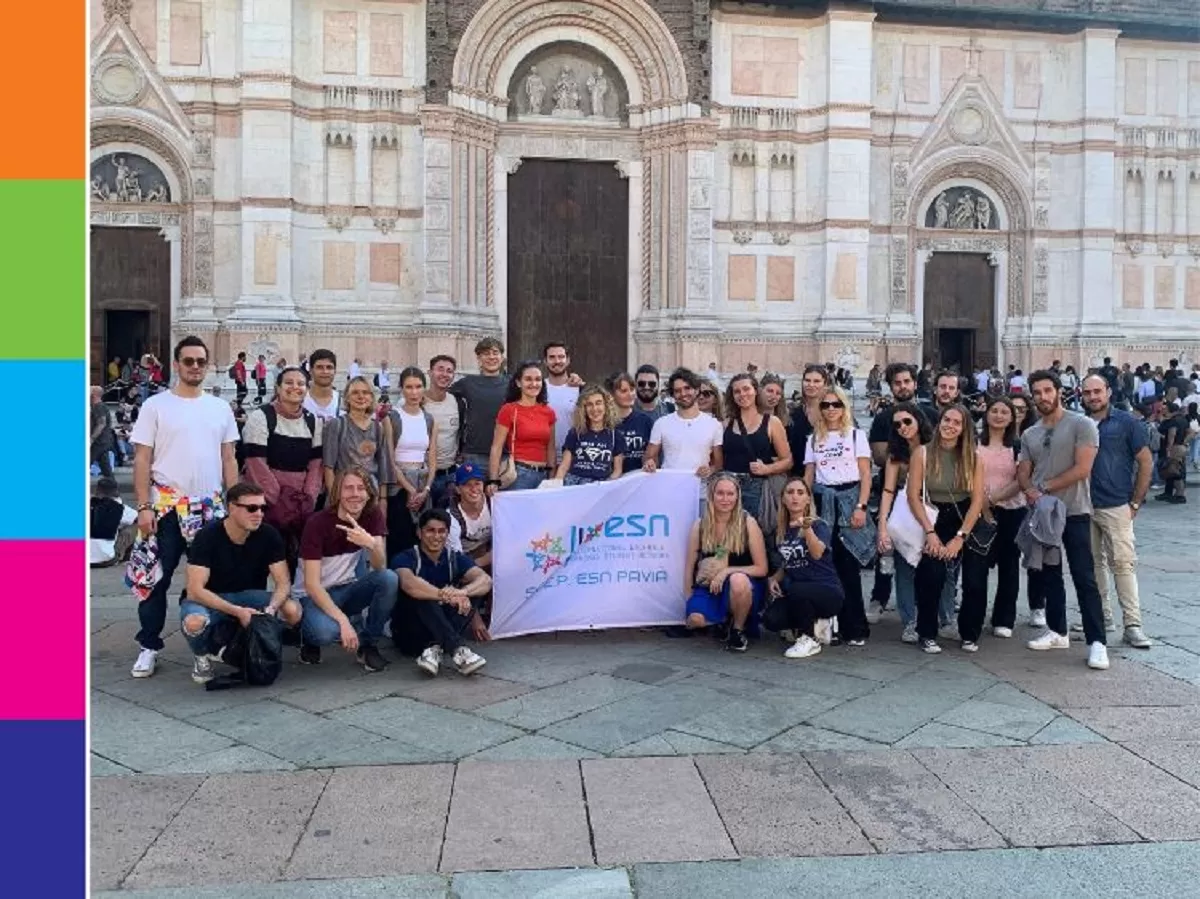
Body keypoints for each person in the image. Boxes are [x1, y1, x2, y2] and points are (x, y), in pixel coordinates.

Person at [128, 336, 240, 678]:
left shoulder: (220, 408)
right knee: (155, 579)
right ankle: (149, 645)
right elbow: (142, 458)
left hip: (209, 509)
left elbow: (229, 458)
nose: (194, 367)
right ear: (176, 364)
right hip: (165, 508)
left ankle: (204, 643)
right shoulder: (156, 406)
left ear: (207, 366)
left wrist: (235, 504)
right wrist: (143, 505)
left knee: (211, 581)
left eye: (200, 362)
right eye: (188, 361)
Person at [1017, 369, 1109, 670]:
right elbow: (1024, 469)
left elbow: (1083, 469)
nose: (1043, 397)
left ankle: (1098, 642)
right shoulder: (1030, 433)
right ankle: (1057, 630)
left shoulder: (1081, 424)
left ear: (1059, 391)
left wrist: (1042, 487)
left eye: (1047, 390)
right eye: (1037, 393)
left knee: (1084, 576)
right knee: (1049, 575)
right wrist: (1028, 489)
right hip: (1043, 515)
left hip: (1075, 511)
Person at [181, 482, 301, 684]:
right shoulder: (207, 536)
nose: (259, 514)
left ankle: (261, 644)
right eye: (251, 508)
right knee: (194, 621)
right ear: (231, 508)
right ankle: (201, 655)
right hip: (212, 598)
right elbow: (195, 590)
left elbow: (283, 582)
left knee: (292, 609)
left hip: (249, 595)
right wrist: (237, 611)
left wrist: (271, 609)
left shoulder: (269, 534)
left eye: (263, 508)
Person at [294, 467, 399, 672]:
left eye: (361, 488)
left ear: (369, 493)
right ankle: (306, 636)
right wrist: (344, 622)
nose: (355, 494)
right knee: (324, 633)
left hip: (345, 589)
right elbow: (312, 585)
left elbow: (379, 566)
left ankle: (368, 645)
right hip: (312, 596)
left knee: (389, 579)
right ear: (338, 493)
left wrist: (372, 545)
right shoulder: (318, 523)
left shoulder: (373, 515)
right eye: (348, 488)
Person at [905, 404, 988, 654]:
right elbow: (913, 496)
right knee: (932, 575)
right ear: (939, 422)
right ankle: (927, 632)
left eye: (956, 422)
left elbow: (977, 502)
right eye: (946, 420)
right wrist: (930, 533)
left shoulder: (974, 457)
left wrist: (960, 537)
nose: (950, 426)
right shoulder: (922, 453)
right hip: (934, 517)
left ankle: (970, 633)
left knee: (975, 580)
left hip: (966, 518)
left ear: (964, 429)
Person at [1081, 374, 1153, 648]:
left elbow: (1145, 462)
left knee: (1122, 564)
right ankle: (1102, 617)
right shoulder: (1080, 422)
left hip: (1116, 504)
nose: (1093, 397)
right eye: (1088, 393)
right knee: (1093, 565)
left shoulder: (1127, 423)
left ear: (1108, 392)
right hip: (1085, 505)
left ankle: (1133, 624)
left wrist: (1135, 502)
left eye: (1098, 391)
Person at [803, 385, 873, 645]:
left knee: (848, 565)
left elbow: (865, 474)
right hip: (823, 501)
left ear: (844, 407)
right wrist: (806, 507)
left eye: (836, 404)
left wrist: (861, 507)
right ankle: (827, 626)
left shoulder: (855, 435)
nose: (831, 409)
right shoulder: (812, 439)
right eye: (826, 405)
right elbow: (809, 475)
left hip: (848, 499)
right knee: (824, 564)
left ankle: (855, 627)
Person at [241, 366, 323, 573]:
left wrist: (308, 499)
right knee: (260, 564)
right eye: (288, 383)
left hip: (299, 507)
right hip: (267, 505)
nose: (295, 387)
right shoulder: (261, 417)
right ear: (278, 387)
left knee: (295, 566)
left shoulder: (313, 422)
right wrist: (279, 500)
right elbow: (256, 463)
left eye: (301, 383)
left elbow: (315, 466)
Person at [393, 509, 492, 676]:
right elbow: (410, 584)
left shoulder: (454, 557)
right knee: (422, 593)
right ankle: (458, 649)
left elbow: (485, 581)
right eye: (430, 530)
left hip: (442, 627)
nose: (436, 536)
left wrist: (462, 593)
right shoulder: (406, 557)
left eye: (442, 531)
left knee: (472, 593)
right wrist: (444, 595)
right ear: (419, 532)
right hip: (410, 633)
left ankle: (435, 648)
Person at [681, 474, 769, 651]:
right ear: (711, 495)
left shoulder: (747, 523)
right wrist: (689, 596)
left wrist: (725, 571)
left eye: (730, 494)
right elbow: (689, 565)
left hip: (744, 586)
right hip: (709, 586)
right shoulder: (700, 525)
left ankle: (738, 629)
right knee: (694, 620)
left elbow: (762, 568)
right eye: (720, 493)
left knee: (738, 579)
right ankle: (724, 619)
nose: (725, 499)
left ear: (737, 496)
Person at [875, 401, 933, 643]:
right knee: (905, 570)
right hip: (903, 514)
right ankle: (910, 622)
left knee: (937, 569)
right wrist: (882, 526)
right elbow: (888, 490)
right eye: (897, 424)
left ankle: (942, 616)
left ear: (918, 420)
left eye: (907, 421)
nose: (902, 427)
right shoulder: (895, 456)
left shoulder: (934, 449)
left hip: (932, 511)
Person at [767, 477, 843, 659]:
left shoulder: (818, 525)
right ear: (783, 498)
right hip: (799, 591)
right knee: (771, 619)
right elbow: (789, 560)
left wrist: (806, 527)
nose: (795, 497)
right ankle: (818, 624)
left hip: (827, 590)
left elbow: (817, 553)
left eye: (800, 493)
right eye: (790, 492)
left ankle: (809, 639)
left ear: (808, 499)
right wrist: (773, 578)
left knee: (796, 589)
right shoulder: (781, 530)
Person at [975, 397, 1032, 638]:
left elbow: (1021, 479)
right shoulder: (974, 444)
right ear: (986, 415)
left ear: (1012, 418)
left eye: (1004, 412)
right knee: (977, 565)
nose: (999, 416)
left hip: (1011, 510)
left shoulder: (1018, 446)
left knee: (1009, 565)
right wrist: (982, 504)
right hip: (977, 510)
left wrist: (992, 499)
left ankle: (1004, 618)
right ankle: (974, 614)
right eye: (994, 411)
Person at [721, 373, 792, 531]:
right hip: (728, 490)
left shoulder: (772, 423)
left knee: (758, 539)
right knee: (729, 540)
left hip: (757, 489)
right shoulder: (725, 424)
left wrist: (768, 469)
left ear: (755, 391)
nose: (742, 394)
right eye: (737, 391)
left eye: (746, 389)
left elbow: (787, 460)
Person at [382, 367, 438, 559]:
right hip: (399, 488)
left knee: (421, 540)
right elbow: (389, 458)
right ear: (402, 389)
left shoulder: (429, 419)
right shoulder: (392, 419)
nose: (414, 392)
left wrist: (426, 490)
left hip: (422, 486)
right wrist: (410, 490)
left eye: (418, 387)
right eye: (409, 387)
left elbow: (432, 457)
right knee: (399, 539)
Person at [322, 376, 394, 510]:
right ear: (347, 398)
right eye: (355, 392)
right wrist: (336, 500)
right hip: (343, 494)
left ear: (372, 397)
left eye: (365, 392)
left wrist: (383, 500)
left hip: (371, 495)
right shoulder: (336, 425)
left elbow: (383, 466)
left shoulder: (378, 428)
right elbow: (329, 467)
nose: (361, 396)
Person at [486, 361, 556, 494]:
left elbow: (551, 447)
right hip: (519, 475)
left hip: (543, 476)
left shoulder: (549, 412)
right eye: (528, 379)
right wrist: (493, 480)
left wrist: (551, 478)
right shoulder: (509, 410)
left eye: (538, 379)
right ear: (518, 383)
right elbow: (497, 447)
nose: (534, 384)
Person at [643, 368, 723, 478]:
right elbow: (650, 457)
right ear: (673, 395)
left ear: (696, 390)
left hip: (701, 491)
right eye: (677, 391)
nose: (683, 394)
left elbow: (718, 464)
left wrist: (709, 470)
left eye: (687, 388)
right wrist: (649, 463)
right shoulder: (661, 423)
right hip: (669, 488)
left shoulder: (714, 425)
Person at [451, 337, 508, 470]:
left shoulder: (512, 383)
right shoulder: (467, 383)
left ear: (502, 357)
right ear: (479, 358)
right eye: (486, 353)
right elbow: (442, 395)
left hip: (505, 454)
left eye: (495, 353)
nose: (491, 357)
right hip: (474, 454)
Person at [554, 385, 626, 484]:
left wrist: (606, 486)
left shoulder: (615, 436)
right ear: (584, 409)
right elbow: (564, 466)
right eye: (589, 404)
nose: (594, 409)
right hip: (574, 485)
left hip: (599, 486)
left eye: (598, 403)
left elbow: (617, 470)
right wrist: (556, 485)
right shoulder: (576, 432)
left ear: (606, 406)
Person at [425, 354, 468, 507]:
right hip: (422, 476)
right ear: (430, 373)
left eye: (449, 371)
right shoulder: (417, 401)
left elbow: (461, 433)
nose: (444, 374)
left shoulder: (457, 402)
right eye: (440, 369)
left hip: (449, 475)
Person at [445, 463, 492, 572]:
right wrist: (487, 559)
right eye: (467, 484)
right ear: (458, 489)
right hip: (465, 559)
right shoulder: (451, 516)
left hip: (490, 552)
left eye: (477, 483)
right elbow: (457, 560)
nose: (474, 489)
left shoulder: (494, 505)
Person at [606, 372, 654, 473]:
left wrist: (650, 463)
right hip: (611, 481)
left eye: (632, 390)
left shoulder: (646, 421)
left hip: (638, 482)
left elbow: (652, 456)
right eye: (624, 391)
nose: (630, 394)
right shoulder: (603, 423)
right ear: (611, 394)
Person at [543, 342, 583, 459]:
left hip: (573, 457)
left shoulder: (580, 388)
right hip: (543, 458)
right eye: (552, 357)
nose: (557, 361)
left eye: (561, 357)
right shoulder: (538, 388)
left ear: (568, 360)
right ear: (545, 361)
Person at [90, 477, 138, 568]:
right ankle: (126, 557)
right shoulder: (120, 508)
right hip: (106, 559)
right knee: (136, 525)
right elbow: (137, 518)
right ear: (116, 492)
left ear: (96, 491)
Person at [303, 349, 341, 421]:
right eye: (319, 367)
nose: (325, 371)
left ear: (335, 371)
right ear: (311, 371)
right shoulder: (301, 401)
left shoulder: (344, 402)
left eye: (329, 367)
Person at [90, 385, 116, 478]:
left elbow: (101, 424)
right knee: (104, 465)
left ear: (94, 394)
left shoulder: (99, 407)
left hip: (99, 442)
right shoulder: (98, 406)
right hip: (103, 441)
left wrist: (91, 439)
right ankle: (112, 486)